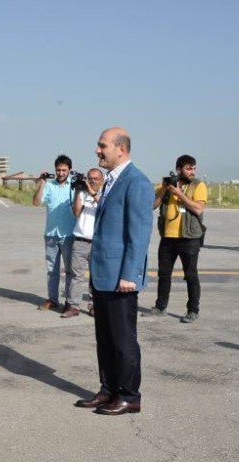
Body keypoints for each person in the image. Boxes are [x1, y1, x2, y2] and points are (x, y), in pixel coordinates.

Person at [75, 127, 153, 416]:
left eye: (102, 145)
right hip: (103, 274)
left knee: (123, 340)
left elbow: (140, 234)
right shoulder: (110, 180)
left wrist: (130, 275)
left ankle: (130, 395)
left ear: (121, 149)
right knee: (105, 338)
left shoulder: (137, 182)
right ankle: (108, 389)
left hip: (122, 277)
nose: (97, 151)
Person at [146, 155, 207, 324]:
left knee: (191, 275)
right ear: (179, 169)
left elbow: (198, 209)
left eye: (194, 168)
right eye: (189, 168)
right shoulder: (166, 184)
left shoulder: (198, 185)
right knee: (164, 275)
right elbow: (153, 205)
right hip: (168, 237)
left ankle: (193, 310)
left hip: (189, 238)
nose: (192, 172)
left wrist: (179, 194)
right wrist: (166, 189)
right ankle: (160, 307)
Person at [32, 155, 76, 311]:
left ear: (69, 170)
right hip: (51, 234)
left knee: (71, 271)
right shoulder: (49, 186)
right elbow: (36, 202)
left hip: (69, 235)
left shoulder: (75, 186)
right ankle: (52, 299)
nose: (61, 172)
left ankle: (70, 303)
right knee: (52, 270)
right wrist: (41, 182)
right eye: (58, 170)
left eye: (64, 170)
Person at [66, 168, 104, 317]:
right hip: (80, 241)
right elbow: (76, 213)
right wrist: (78, 192)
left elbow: (104, 207)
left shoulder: (106, 193)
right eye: (90, 178)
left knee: (96, 276)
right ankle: (73, 306)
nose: (93, 181)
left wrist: (90, 190)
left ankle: (94, 306)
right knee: (76, 276)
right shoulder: (82, 193)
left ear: (102, 180)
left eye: (95, 178)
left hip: (98, 242)